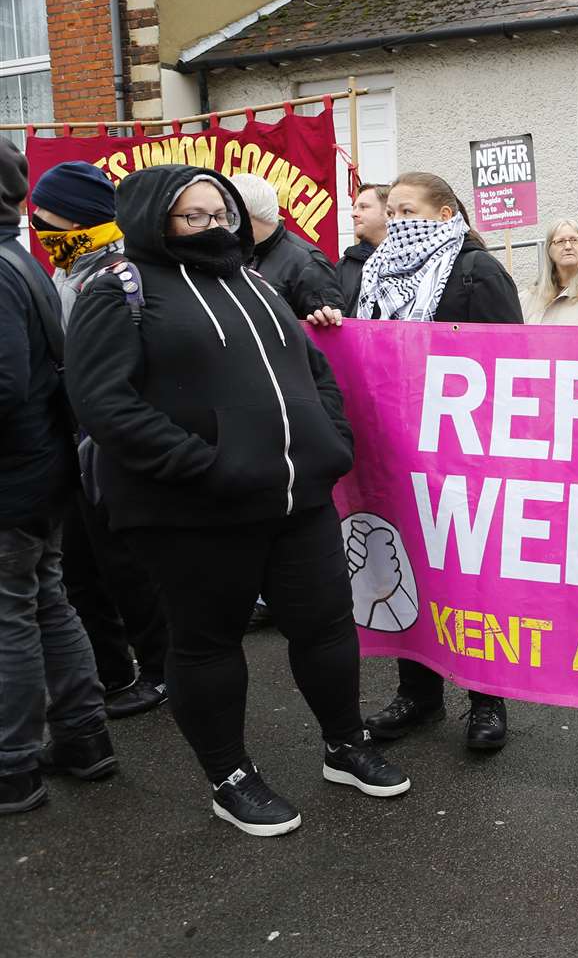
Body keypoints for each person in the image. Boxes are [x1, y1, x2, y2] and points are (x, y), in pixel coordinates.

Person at [67, 164, 408, 837]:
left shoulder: (253, 282)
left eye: (218, 212)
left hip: (297, 498)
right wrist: (204, 467)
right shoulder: (119, 292)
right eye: (191, 215)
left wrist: (330, 443)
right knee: (207, 645)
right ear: (152, 219)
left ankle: (344, 743)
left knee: (327, 626)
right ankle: (231, 778)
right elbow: (105, 405)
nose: (211, 226)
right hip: (194, 512)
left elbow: (313, 371)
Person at [311, 171, 523, 753]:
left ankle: (485, 696)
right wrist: (334, 325)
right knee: (403, 570)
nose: (399, 223)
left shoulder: (476, 270)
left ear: (446, 212)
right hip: (395, 452)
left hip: (459, 453)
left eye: (411, 211)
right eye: (394, 212)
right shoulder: (374, 273)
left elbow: (509, 358)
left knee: (464, 576)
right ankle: (419, 693)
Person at [0, 139, 115, 814]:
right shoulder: (23, 259)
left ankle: (13, 766)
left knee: (12, 615)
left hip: (14, 479)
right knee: (45, 600)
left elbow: (6, 384)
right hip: (40, 471)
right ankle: (83, 739)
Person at [30, 161, 168, 719]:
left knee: (128, 569)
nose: (38, 229)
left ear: (78, 218)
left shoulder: (118, 275)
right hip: (76, 443)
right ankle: (112, 669)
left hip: (111, 446)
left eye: (47, 219)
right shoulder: (66, 269)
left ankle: (159, 672)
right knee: (83, 571)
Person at [230, 172, 343, 317]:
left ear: (243, 212)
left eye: (227, 211)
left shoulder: (308, 264)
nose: (221, 220)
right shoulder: (237, 253)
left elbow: (330, 329)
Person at [337, 183, 389, 316]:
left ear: (389, 212)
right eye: (354, 208)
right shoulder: (344, 265)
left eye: (363, 207)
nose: (353, 214)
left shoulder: (410, 261)